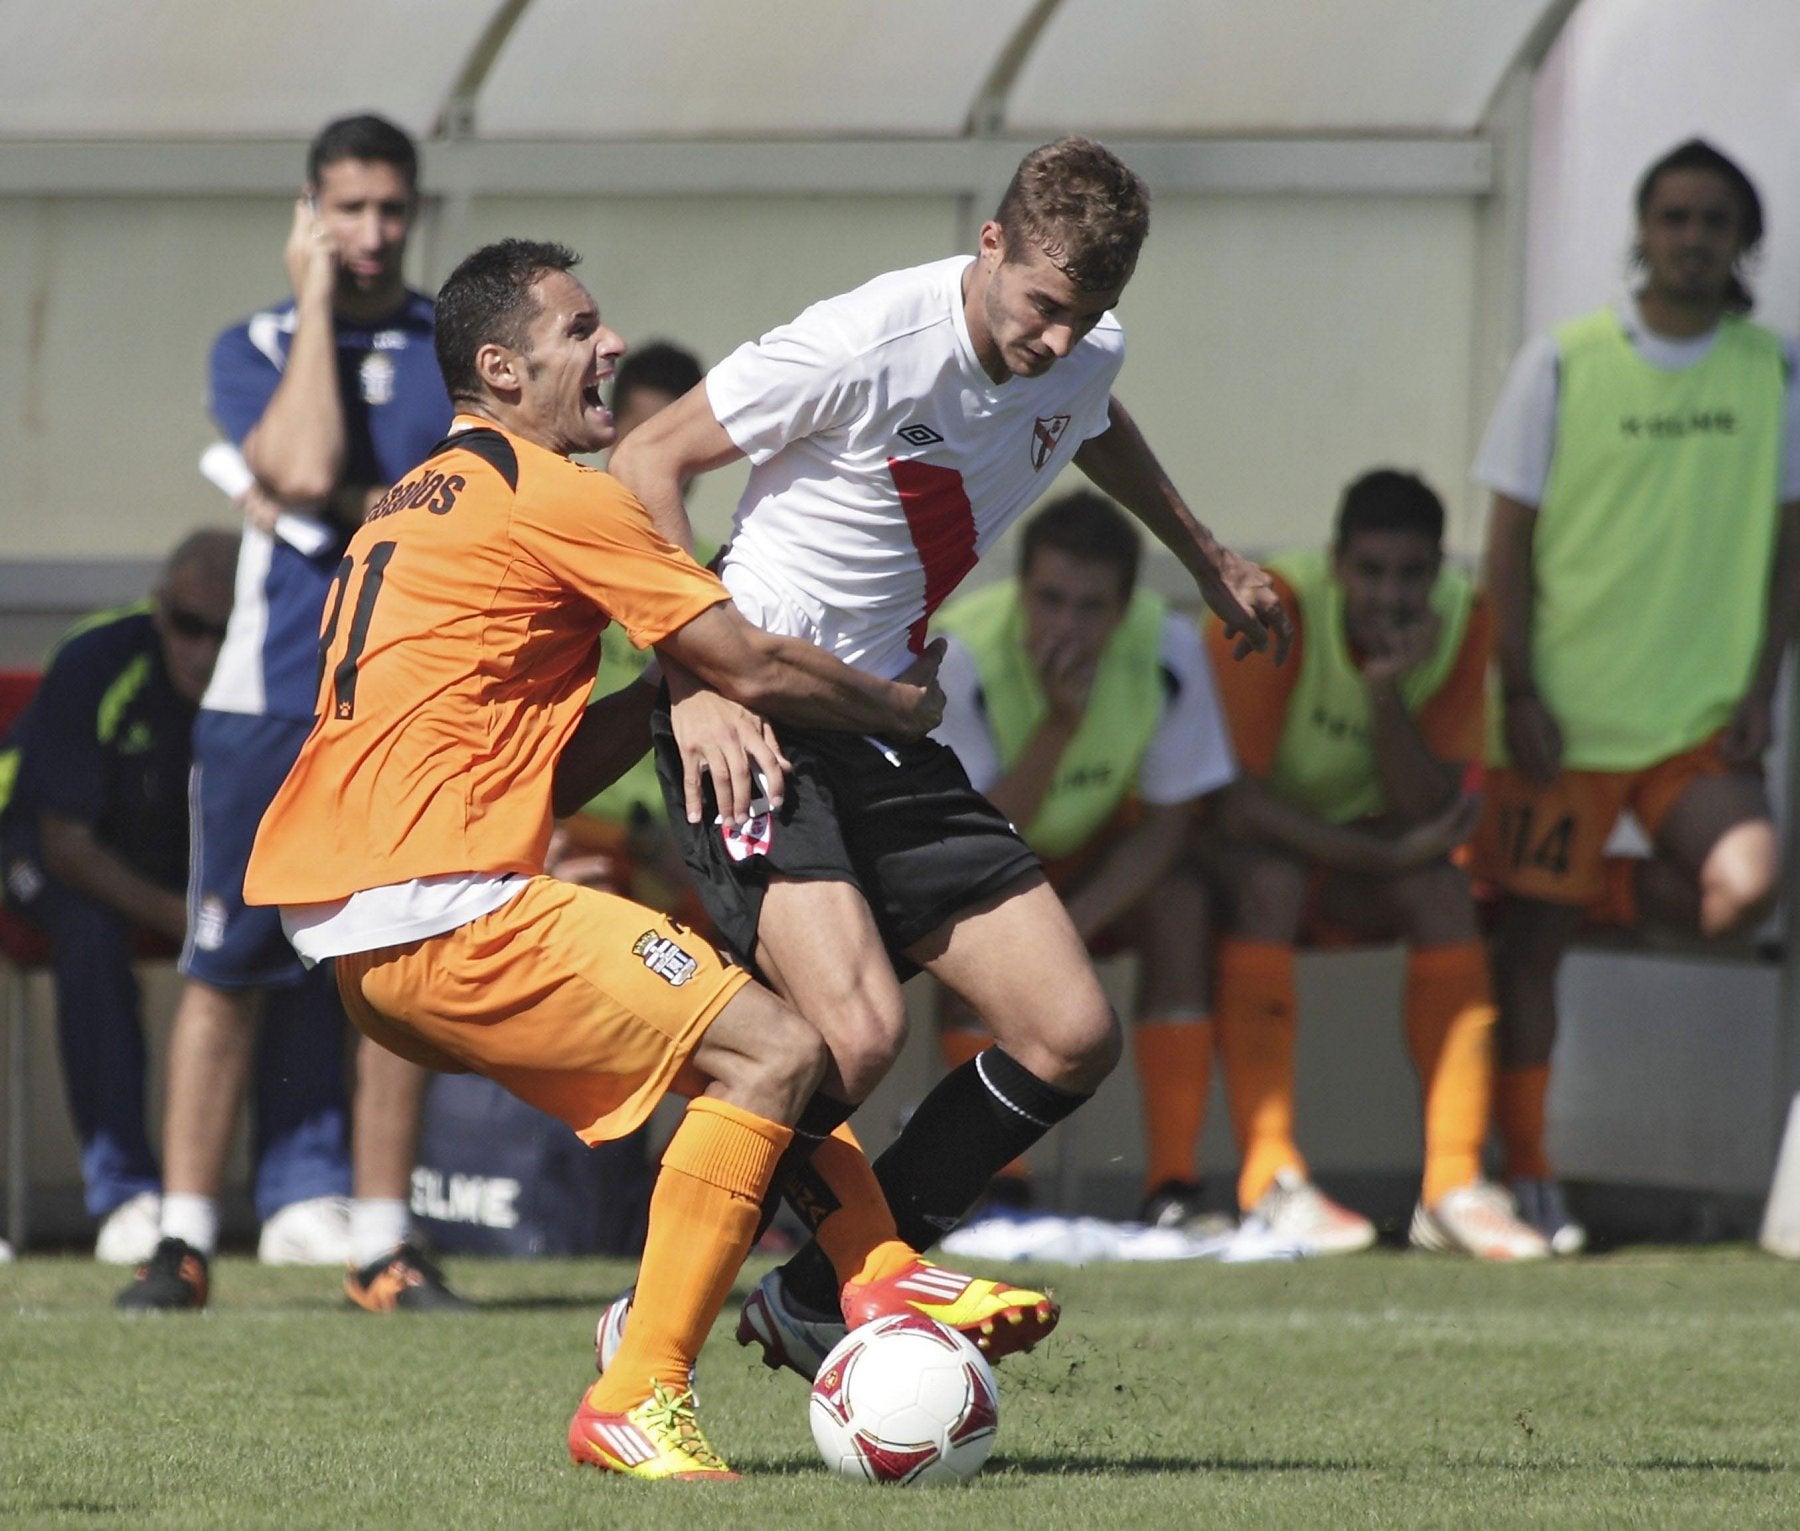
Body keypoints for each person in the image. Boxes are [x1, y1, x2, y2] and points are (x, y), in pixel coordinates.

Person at [240, 237, 1060, 1480]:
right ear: (503, 367)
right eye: (582, 329)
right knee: (779, 1048)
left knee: (747, 1056)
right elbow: (758, 662)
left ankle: (879, 1271)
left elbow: (546, 767)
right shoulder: (559, 495)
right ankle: (643, 1381)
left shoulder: (405, 504)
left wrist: (656, 702)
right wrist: (893, 707)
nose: (610, 343)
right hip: (446, 903)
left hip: (370, 931)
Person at [607, 135, 1289, 1374]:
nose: (1054, 341)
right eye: (1040, 306)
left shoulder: (1079, 354)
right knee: (852, 1034)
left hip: (879, 719)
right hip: (750, 718)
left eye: (1086, 319)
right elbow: (645, 460)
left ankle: (818, 1295)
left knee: (1071, 1029)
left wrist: (1205, 555)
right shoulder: (868, 339)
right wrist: (691, 679)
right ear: (989, 245)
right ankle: (662, 1304)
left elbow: (1089, 418)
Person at [119, 114, 459, 1311]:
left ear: (416, 211)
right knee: (225, 967)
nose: (370, 234)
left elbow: (445, 502)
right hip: (266, 703)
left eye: (389, 210)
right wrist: (314, 302)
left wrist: (344, 497)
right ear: (310, 213)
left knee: (395, 967)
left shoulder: (450, 344)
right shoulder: (252, 341)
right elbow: (310, 467)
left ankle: (383, 1244)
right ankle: (186, 1238)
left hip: (404, 701)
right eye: (347, 210)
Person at [1472, 138, 1800, 1254]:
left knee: (1745, 888)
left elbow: (1790, 551)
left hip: (1695, 727)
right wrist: (1518, 687)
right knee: (1529, 952)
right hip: (1562, 721)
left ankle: (1593, 886)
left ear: (1741, 242)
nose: (1693, 237)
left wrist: (1762, 684)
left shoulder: (1776, 370)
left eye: (1716, 220)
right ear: (1643, 230)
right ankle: (1530, 1171)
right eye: (1675, 216)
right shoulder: (1562, 362)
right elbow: (1504, 547)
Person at [1200, 469, 1548, 1259]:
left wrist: (1386, 692)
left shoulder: (1465, 618)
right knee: (1271, 878)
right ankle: (1270, 1178)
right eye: (1371, 571)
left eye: (1412, 574)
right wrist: (1383, 851)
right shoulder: (1276, 604)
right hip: (1243, 858)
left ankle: (1453, 1186)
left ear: (1437, 571)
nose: (1390, 595)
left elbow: (1432, 813)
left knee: (1442, 891)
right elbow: (1237, 808)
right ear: (1336, 562)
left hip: (1347, 855)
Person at [929, 490, 1236, 1229]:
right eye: (1050, 599)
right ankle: (999, 1186)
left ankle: (1172, 1182)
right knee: (962, 926)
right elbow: (976, 830)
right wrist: (1059, 726)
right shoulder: (961, 650)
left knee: (1184, 904)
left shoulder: (1170, 648)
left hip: (1099, 859)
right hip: (990, 861)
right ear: (1022, 588)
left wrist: (1068, 929)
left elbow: (1167, 825)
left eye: (1090, 607)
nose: (1065, 625)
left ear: (1127, 606)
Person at [0, 531, 237, 1262]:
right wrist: (185, 919)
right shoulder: (98, 658)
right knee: (90, 933)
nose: (204, 649)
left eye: (225, 632)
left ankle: (307, 1189)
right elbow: (66, 844)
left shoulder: (269, 669)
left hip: (175, 873)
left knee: (299, 937)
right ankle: (126, 1192)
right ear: (161, 611)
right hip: (42, 855)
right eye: (191, 625)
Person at [552, 340, 711, 924]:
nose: (655, 459)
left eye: (673, 441)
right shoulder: (557, 552)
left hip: (676, 852)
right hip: (559, 831)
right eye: (639, 435)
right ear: (609, 431)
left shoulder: (718, 575)